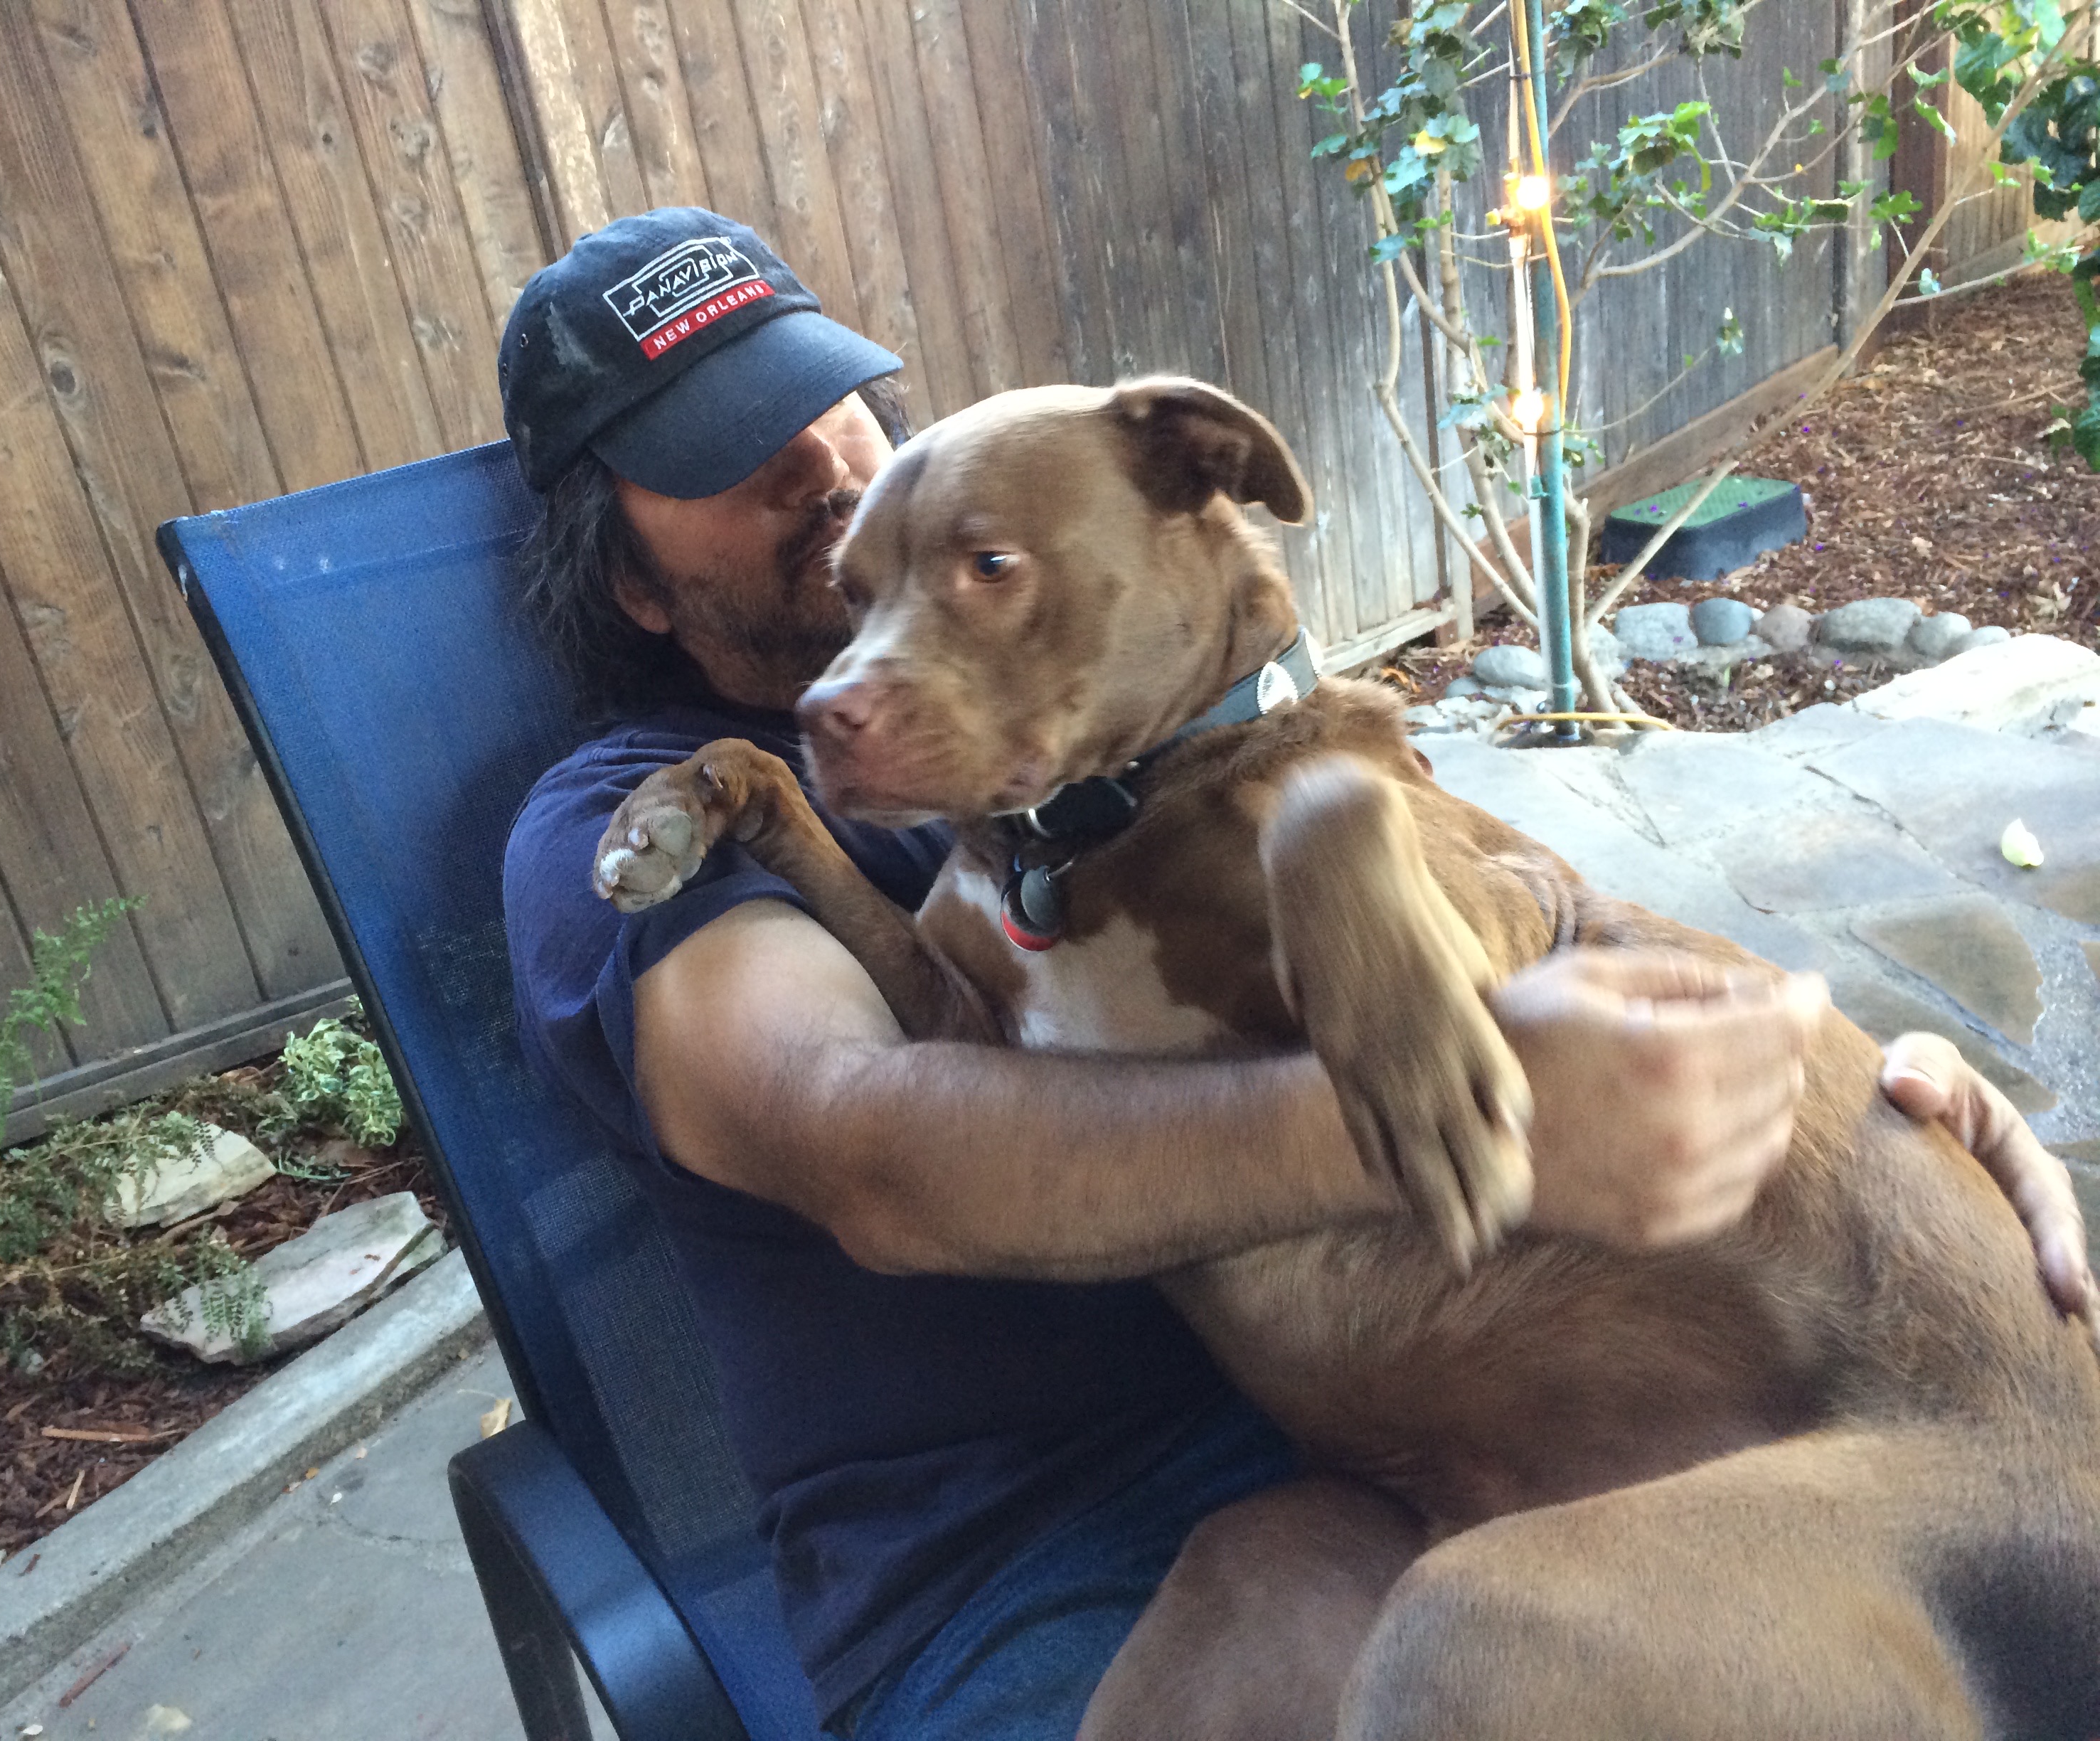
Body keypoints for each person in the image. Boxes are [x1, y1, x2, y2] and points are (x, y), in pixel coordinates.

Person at [498, 208, 2092, 1740]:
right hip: (1035, 1566)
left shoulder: (1113, 751)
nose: (823, 467)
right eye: (721, 459)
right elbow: (876, 1144)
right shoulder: (606, 827)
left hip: (1448, 1457)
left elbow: (1526, 915)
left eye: (824, 400)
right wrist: (1459, 1106)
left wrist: (1869, 1087)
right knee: (1459, 1646)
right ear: (631, 580)